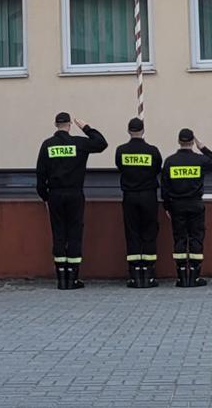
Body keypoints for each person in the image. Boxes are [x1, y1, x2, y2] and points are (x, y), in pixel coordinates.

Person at [34, 112, 107, 290]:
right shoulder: (78, 143)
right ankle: (73, 279)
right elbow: (101, 144)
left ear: (55, 124)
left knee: (59, 234)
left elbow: (40, 174)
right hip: (74, 194)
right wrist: (86, 127)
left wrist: (45, 197)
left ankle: (61, 279)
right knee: (74, 233)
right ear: (69, 125)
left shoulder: (47, 145)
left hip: (55, 195)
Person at [162, 128, 212, 288]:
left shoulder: (170, 161)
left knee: (180, 238)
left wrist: (167, 207)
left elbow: (164, 187)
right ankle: (194, 277)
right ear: (192, 142)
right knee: (196, 237)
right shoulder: (200, 160)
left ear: (178, 141)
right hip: (195, 204)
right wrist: (202, 146)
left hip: (176, 205)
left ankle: (182, 277)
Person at [114, 118, 164, 289]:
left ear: (128, 131)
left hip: (130, 196)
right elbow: (157, 169)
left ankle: (135, 275)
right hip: (149, 195)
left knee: (132, 232)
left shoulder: (121, 151)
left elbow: (120, 167)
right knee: (149, 232)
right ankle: (149, 276)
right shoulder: (152, 151)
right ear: (143, 131)